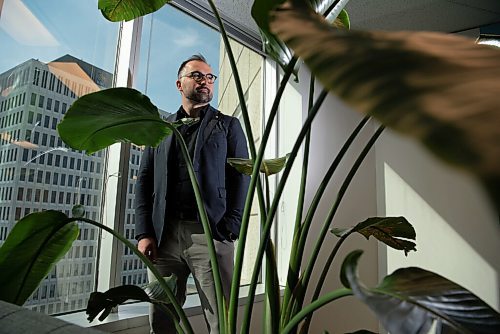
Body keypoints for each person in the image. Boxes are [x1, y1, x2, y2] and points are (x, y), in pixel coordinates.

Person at [134, 54, 250, 333]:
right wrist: (144, 233)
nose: (205, 81)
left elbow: (242, 177)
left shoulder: (227, 125)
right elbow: (144, 181)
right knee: (161, 317)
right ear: (179, 84)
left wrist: (229, 229)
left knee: (220, 319)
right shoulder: (160, 129)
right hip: (165, 237)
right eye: (197, 75)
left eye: (210, 77)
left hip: (210, 234)